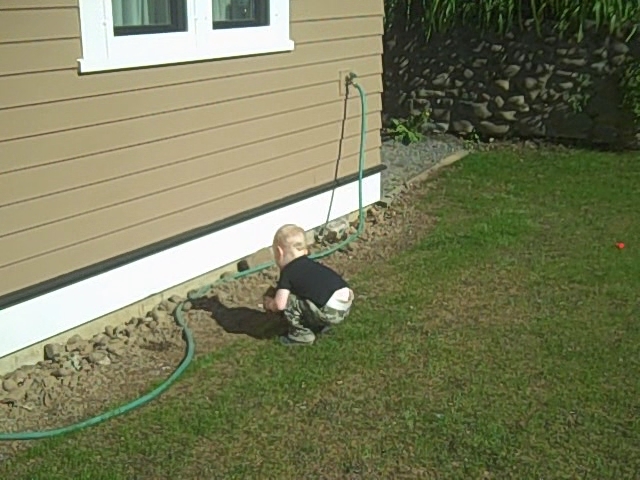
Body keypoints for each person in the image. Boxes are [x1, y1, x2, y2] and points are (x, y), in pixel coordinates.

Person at [262, 224, 354, 346]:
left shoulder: (288, 272)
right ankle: (321, 325)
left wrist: (270, 304)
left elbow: (280, 305)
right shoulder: (310, 265)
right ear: (304, 250)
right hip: (346, 302)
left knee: (290, 300)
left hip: (330, 311)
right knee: (310, 295)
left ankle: (302, 336)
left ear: (279, 253)